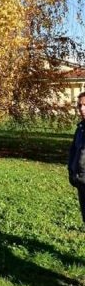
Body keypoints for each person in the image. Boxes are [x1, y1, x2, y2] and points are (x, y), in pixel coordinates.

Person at [68, 91, 85, 224]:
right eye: (79, 106)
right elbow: (73, 151)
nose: (82, 109)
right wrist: (71, 172)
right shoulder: (80, 128)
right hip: (81, 181)